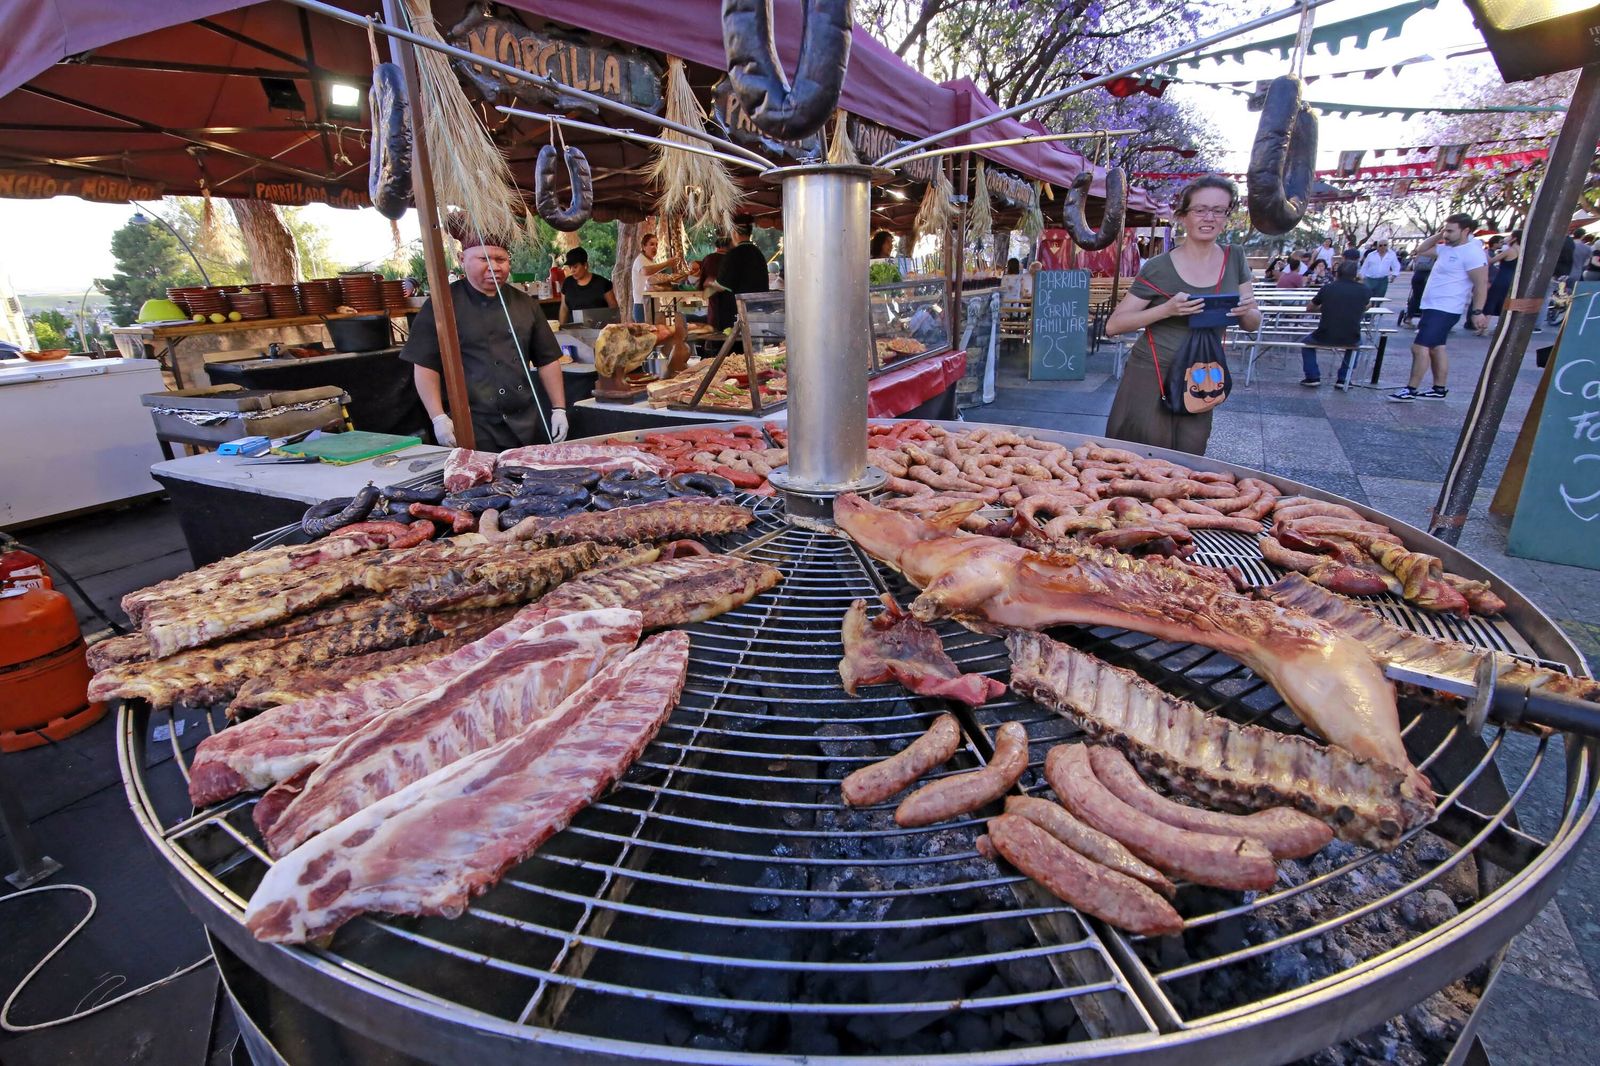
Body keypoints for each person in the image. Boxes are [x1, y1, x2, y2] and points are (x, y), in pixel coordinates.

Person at [1104, 174, 1260, 453]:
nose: (1208, 217)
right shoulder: (1158, 267)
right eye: (1200, 209)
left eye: (1218, 210)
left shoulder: (1234, 258)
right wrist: (1166, 310)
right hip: (1153, 371)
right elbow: (1114, 326)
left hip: (1202, 374)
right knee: (1141, 454)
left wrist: (1246, 310)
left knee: (1190, 455)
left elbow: (1252, 323)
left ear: (1227, 216)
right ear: (1183, 216)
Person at [402, 217, 568, 450]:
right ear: (462, 259)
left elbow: (548, 360)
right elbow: (424, 365)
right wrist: (438, 417)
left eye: (501, 259)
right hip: (473, 425)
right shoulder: (442, 304)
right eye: (484, 259)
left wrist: (558, 408)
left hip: (527, 421)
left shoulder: (525, 304)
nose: (494, 267)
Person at [1389, 213, 1488, 402]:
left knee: (1419, 347)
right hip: (1433, 305)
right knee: (1436, 348)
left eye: (1451, 231)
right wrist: (1440, 234)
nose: (1446, 234)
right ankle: (1439, 388)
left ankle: (1411, 389)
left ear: (1466, 230)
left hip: (1446, 307)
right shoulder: (1447, 248)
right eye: (1445, 230)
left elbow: (1481, 284)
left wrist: (1477, 311)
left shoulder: (1473, 253)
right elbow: (1422, 249)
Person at [1299, 260, 1369, 389]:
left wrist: (1325, 308)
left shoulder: (1328, 288)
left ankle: (1312, 376)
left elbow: (1309, 308)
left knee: (1307, 344)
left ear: (1337, 273)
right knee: (1356, 345)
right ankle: (1343, 378)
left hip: (1325, 334)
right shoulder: (1363, 290)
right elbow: (1367, 306)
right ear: (1356, 274)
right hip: (1351, 335)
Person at [706, 214, 770, 331]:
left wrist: (710, 283)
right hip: (759, 312)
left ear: (734, 233)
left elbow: (721, 286)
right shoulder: (758, 253)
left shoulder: (734, 254)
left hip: (739, 315)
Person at [557, 247, 617, 327]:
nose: (572, 271)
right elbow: (564, 307)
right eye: (570, 267)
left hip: (599, 330)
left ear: (585, 265)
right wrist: (561, 327)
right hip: (574, 331)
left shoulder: (603, 283)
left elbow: (613, 309)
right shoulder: (567, 283)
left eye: (575, 267)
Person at [629, 232, 682, 322]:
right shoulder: (640, 259)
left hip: (652, 304)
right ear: (643, 247)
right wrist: (666, 264)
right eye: (651, 244)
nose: (655, 247)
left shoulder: (650, 261)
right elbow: (646, 271)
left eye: (656, 245)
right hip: (642, 304)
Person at [1481, 229, 1521, 332]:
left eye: (1510, 236)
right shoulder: (1522, 250)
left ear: (1514, 238)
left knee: (1492, 300)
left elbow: (1491, 261)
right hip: (1512, 279)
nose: (1507, 238)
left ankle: (1484, 326)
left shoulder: (1509, 250)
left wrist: (1484, 252)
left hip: (1502, 277)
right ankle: (1501, 326)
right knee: (1504, 302)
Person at [1399, 249, 1434, 328]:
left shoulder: (1422, 253)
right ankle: (1425, 320)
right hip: (1428, 277)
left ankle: (1409, 317)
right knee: (1428, 298)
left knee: (1415, 297)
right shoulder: (1436, 253)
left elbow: (1414, 266)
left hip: (1417, 276)